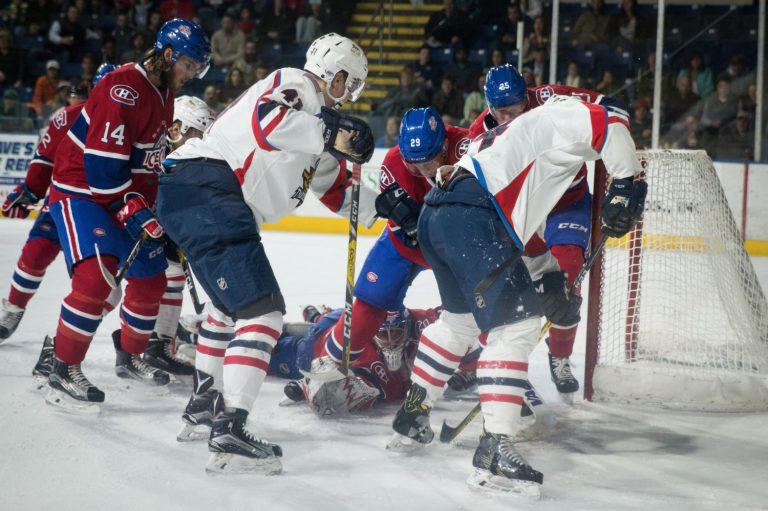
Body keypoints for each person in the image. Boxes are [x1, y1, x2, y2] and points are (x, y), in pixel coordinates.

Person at [389, 94, 645, 495]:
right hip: (472, 216)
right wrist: (628, 183)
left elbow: (518, 227)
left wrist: (548, 276)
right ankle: (495, 450)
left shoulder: (522, 135)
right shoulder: (572, 116)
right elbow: (611, 124)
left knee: (458, 322)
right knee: (517, 325)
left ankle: (413, 413)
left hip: (437, 215)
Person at [155, 32, 374, 475]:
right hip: (208, 189)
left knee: (224, 310)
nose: (350, 94)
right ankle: (232, 424)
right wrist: (335, 131)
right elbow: (268, 121)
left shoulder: (316, 124)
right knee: (263, 313)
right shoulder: (299, 84)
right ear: (332, 72)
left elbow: (334, 189)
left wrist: (390, 207)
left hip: (197, 193)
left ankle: (205, 400)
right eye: (348, 83)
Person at [41, 19, 211, 414]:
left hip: (121, 193)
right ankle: (62, 365)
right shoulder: (123, 89)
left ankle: (131, 355)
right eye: (189, 65)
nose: (191, 75)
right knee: (96, 277)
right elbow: (102, 171)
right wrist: (133, 210)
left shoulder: (163, 90)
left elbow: (145, 162)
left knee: (150, 279)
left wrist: (157, 211)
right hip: (82, 190)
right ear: (168, 54)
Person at [467, 64, 629, 400]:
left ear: (526, 97)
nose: (508, 116)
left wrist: (623, 171)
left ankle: (560, 356)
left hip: (566, 202)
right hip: (524, 215)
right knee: (510, 288)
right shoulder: (479, 133)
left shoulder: (550, 98)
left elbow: (612, 107)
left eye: (515, 107)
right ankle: (505, 363)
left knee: (568, 275)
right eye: (500, 110)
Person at [304, 106, 469, 385]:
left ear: (444, 143)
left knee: (481, 303)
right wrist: (410, 224)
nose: (424, 170)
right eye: (414, 164)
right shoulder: (393, 163)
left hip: (460, 245)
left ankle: (497, 368)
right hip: (407, 246)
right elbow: (400, 227)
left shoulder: (469, 147)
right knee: (371, 300)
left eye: (430, 161)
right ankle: (332, 364)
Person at [0, 64, 116, 348]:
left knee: (103, 283)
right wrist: (31, 188)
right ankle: (13, 309)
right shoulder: (70, 117)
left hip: (105, 211)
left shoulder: (131, 123)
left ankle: (66, 338)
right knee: (36, 253)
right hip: (63, 201)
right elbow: (44, 159)